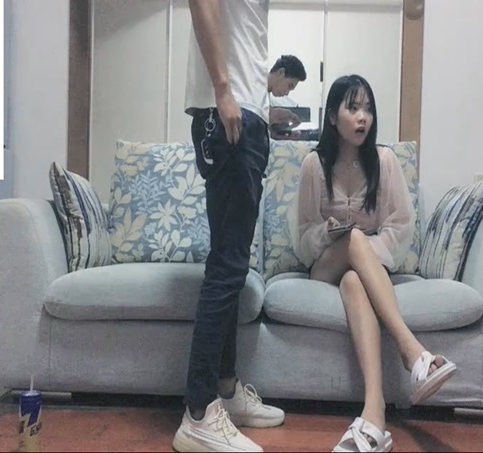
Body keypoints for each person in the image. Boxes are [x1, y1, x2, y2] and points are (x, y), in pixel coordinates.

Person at [293, 74, 457, 453]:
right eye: (353, 108)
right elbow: (302, 235)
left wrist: (367, 251)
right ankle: (411, 351)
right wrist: (325, 233)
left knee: (354, 280)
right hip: (325, 263)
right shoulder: (314, 165)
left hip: (365, 267)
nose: (362, 117)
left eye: (368, 109)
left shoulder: (384, 161)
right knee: (351, 239)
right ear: (332, 116)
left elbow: (399, 227)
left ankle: (374, 414)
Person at [173, 1, 285, 452]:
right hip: (229, 114)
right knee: (228, 267)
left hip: (245, 114)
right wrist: (223, 88)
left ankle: (224, 387)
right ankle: (199, 413)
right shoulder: (224, 95)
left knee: (231, 267)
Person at [267, 54, 307, 139]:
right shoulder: (254, 87)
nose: (287, 93)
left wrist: (286, 138)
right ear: (281, 72)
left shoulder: (265, 97)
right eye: (289, 86)